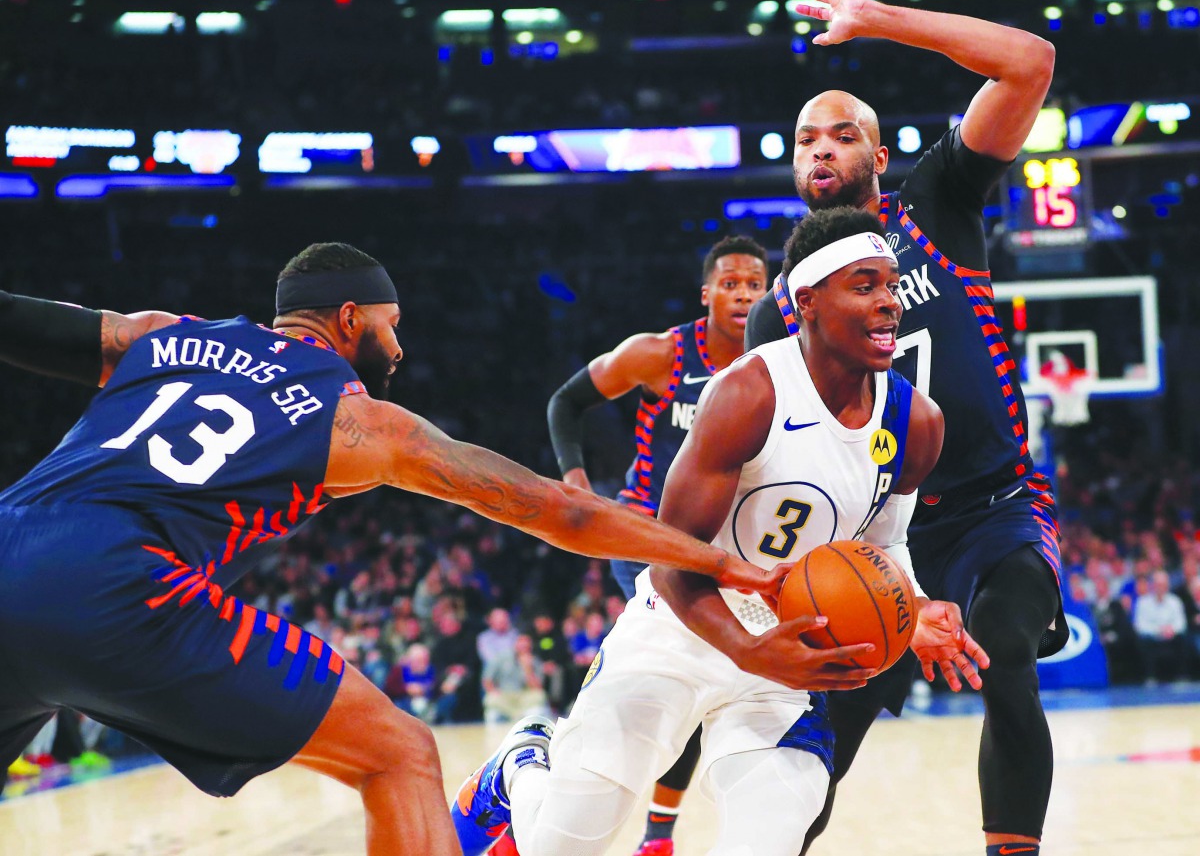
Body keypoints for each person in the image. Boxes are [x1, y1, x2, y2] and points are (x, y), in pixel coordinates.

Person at [0, 242, 785, 856]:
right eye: (391, 324)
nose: (400, 348)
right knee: (401, 754)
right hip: (119, 584)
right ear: (348, 320)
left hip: (12, 538)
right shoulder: (358, 420)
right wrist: (716, 560)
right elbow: (560, 512)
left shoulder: (161, 335)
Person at [453, 209, 987, 856]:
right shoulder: (747, 394)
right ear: (808, 300)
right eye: (865, 285)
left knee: (772, 832)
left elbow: (884, 543)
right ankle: (523, 760)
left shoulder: (916, 421)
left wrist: (916, 604)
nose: (889, 304)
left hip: (787, 651)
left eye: (892, 286)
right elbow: (672, 562)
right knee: (560, 845)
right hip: (679, 624)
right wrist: (743, 644)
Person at [744, 3, 1064, 854]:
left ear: (878, 158)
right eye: (807, 138)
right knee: (822, 731)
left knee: (1000, 648)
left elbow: (1030, 60)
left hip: (995, 510)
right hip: (872, 538)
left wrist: (876, 18)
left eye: (843, 135)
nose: (821, 148)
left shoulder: (937, 200)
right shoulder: (783, 307)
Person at [547, 234, 768, 853]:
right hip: (646, 530)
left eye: (754, 283)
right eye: (731, 283)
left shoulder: (779, 359)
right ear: (707, 293)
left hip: (725, 542)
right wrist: (575, 483)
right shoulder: (661, 354)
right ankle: (588, 793)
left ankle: (657, 832)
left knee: (700, 678)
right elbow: (567, 403)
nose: (743, 294)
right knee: (687, 658)